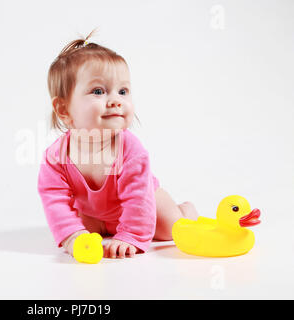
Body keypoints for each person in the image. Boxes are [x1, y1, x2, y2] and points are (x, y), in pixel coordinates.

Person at [37, 30, 199, 259]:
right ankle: (103, 227)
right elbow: (54, 199)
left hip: (141, 203)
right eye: (98, 91)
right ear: (64, 110)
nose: (116, 100)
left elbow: (138, 199)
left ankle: (185, 210)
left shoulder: (131, 150)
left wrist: (130, 235)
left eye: (123, 91)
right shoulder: (56, 156)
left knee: (169, 229)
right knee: (86, 230)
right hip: (94, 213)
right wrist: (72, 235)